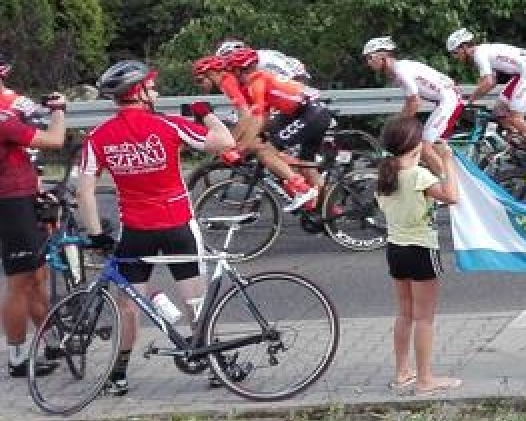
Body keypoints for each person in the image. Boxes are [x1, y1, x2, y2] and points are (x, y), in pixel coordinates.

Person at [77, 61, 235, 396]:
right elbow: (225, 142)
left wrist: (95, 234)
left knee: (127, 306)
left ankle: (118, 375)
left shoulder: (98, 136)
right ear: (138, 92)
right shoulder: (168, 124)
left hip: (135, 230)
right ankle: (215, 366)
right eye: (151, 86)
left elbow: (84, 192)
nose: (156, 90)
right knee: (195, 301)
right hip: (177, 224)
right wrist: (205, 113)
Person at [373, 116, 462, 396]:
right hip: (421, 249)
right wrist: (447, 160)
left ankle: (402, 372)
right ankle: (425, 379)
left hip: (395, 249)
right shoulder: (418, 176)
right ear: (415, 144)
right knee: (424, 318)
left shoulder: (385, 177)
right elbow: (452, 196)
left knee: (405, 313)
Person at [0, 55, 68, 377]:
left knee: (37, 277)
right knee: (20, 282)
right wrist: (59, 111)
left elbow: (29, 112)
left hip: (22, 196)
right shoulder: (2, 117)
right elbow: (55, 140)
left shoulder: (10, 106)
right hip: (10, 201)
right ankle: (16, 358)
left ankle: (52, 340)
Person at [195, 50, 320, 211]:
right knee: (260, 145)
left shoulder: (227, 82)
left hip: (303, 110)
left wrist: (234, 145)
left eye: (200, 80)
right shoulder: (237, 81)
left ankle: (300, 187)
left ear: (211, 74)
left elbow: (246, 115)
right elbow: (252, 115)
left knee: (262, 149)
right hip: (292, 108)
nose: (199, 86)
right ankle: (297, 183)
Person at [362, 36, 462, 172]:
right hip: (446, 100)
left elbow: (415, 102)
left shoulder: (400, 71)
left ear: (383, 56)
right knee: (425, 146)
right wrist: (399, 121)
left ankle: (450, 183)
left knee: (425, 147)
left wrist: (396, 126)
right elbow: (410, 101)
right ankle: (438, 174)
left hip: (449, 101)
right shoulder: (399, 68)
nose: (368, 63)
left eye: (370, 57)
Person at [446, 29, 526, 142]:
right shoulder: (483, 51)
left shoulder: (479, 55)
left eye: (455, 53)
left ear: (464, 47)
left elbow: (488, 82)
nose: (455, 57)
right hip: (521, 74)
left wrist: (469, 100)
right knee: (499, 112)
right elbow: (492, 81)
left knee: (515, 118)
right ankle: (519, 143)